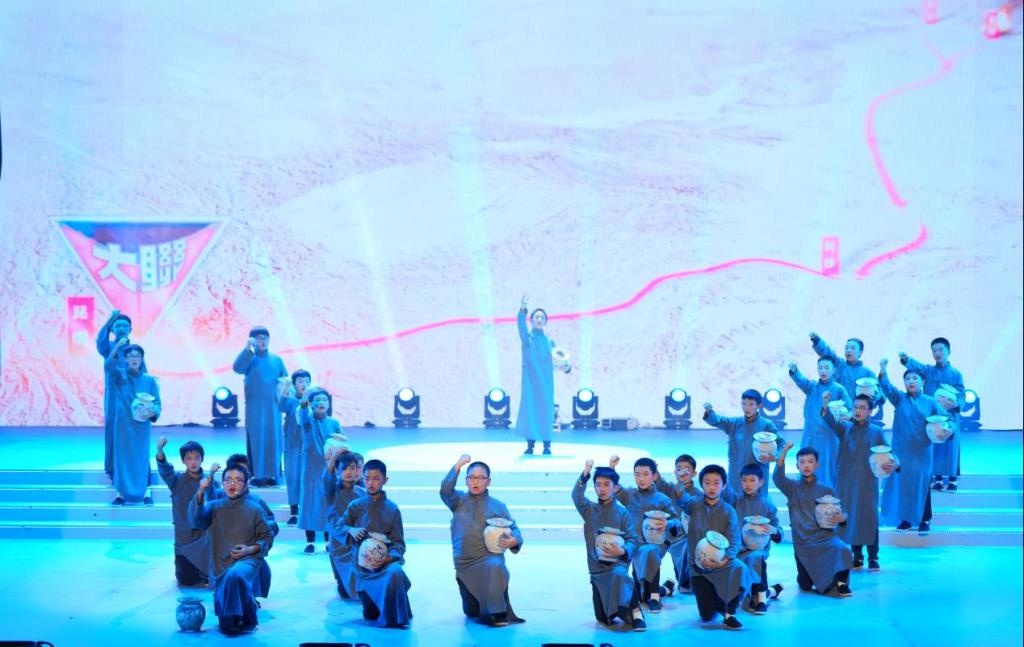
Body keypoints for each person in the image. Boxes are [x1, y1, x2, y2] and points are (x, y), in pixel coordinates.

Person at [440, 454, 525, 626]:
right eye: (471, 477)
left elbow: (514, 529)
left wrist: (514, 541)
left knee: (495, 565)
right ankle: (485, 607)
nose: (475, 482)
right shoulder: (458, 501)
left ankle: (496, 613)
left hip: (489, 558)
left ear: (489, 481)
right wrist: (458, 465)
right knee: (472, 611)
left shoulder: (498, 506)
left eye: (480, 478)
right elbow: (445, 490)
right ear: (466, 480)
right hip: (465, 564)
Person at [190, 463, 274, 635]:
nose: (232, 484)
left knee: (235, 574)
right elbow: (197, 521)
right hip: (221, 563)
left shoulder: (255, 507)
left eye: (237, 480)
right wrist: (200, 491)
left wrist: (249, 549)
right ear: (222, 484)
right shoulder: (214, 506)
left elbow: (267, 537)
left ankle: (249, 615)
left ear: (246, 484)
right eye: (228, 480)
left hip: (249, 560)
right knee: (228, 626)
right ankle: (243, 607)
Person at [336, 459, 413, 628]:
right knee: (371, 615)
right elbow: (338, 527)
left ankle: (396, 618)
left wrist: (388, 558)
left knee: (396, 571)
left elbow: (399, 544)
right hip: (364, 566)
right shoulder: (356, 506)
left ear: (385, 480)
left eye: (376, 478)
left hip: (384, 564)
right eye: (367, 478)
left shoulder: (392, 509)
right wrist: (351, 530)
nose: (370, 483)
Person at [572, 460, 645, 631]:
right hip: (597, 571)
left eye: (607, 484)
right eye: (598, 485)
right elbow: (577, 496)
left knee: (621, 576)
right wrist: (585, 474)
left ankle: (637, 613)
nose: (602, 489)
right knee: (603, 618)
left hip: (616, 567)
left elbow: (633, 540)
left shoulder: (623, 513)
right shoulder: (589, 510)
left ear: (615, 487)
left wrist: (622, 550)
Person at [773, 443, 853, 597]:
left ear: (817, 465)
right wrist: (784, 452)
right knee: (805, 585)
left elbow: (842, 511)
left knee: (842, 548)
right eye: (802, 462)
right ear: (797, 466)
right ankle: (812, 575)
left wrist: (842, 517)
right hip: (803, 543)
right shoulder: (791, 487)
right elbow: (778, 477)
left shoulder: (826, 489)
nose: (806, 465)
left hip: (825, 539)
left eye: (810, 461)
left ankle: (842, 582)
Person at [822, 392, 891, 570]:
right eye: (855, 407)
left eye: (862, 408)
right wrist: (825, 404)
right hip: (846, 481)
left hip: (868, 482)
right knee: (851, 517)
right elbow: (830, 421)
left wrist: (891, 464)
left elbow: (887, 453)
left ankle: (873, 557)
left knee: (869, 518)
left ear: (870, 411)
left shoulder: (876, 431)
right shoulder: (845, 428)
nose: (858, 411)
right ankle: (857, 555)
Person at [678, 464, 751, 630]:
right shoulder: (694, 504)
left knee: (741, 568)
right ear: (701, 485)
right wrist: (680, 483)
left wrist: (723, 561)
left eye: (716, 483)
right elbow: (681, 500)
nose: (711, 487)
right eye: (707, 483)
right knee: (706, 615)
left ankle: (730, 613)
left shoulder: (728, 510)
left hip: (721, 564)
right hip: (699, 568)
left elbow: (734, 540)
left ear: (723, 485)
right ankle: (718, 599)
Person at [878, 359, 943, 533]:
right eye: (907, 379)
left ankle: (925, 519)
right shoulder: (899, 399)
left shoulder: (930, 402)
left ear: (923, 381)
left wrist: (945, 428)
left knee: (922, 484)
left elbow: (945, 419)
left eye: (915, 378)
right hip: (902, 452)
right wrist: (883, 370)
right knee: (904, 484)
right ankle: (905, 519)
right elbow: (887, 387)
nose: (911, 381)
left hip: (922, 452)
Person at [608, 456, 680, 612]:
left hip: (656, 545)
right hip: (635, 546)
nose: (641, 478)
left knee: (650, 551)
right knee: (641, 596)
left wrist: (669, 523)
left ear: (654, 476)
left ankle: (655, 597)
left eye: (646, 474)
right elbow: (614, 487)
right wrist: (612, 468)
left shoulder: (662, 499)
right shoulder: (630, 495)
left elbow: (677, 521)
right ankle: (665, 588)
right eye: (637, 474)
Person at [900, 338, 966, 491]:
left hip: (949, 417)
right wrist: (906, 359)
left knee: (950, 449)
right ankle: (935, 480)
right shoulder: (928, 371)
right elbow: (915, 366)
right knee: (933, 448)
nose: (937, 353)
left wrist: (955, 404)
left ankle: (951, 480)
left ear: (949, 352)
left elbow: (961, 395)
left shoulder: (956, 374)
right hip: (932, 417)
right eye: (934, 350)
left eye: (940, 350)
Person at [723, 463, 782, 614]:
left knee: (756, 558)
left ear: (761, 482)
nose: (747, 484)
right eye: (744, 480)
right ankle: (771, 592)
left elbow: (777, 528)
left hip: (758, 549)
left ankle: (762, 600)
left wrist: (773, 530)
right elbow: (726, 492)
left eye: (752, 480)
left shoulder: (768, 505)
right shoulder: (736, 501)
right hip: (737, 549)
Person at [106, 339, 159, 505]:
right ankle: (121, 494)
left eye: (137, 356)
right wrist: (117, 347)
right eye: (130, 356)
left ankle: (145, 492)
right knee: (122, 458)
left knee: (141, 458)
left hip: (141, 426)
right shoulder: (120, 375)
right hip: (122, 425)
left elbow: (157, 404)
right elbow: (108, 365)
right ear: (126, 359)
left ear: (142, 359)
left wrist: (153, 411)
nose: (134, 359)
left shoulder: (150, 380)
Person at [232, 326, 287, 486]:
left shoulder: (277, 360)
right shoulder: (249, 358)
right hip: (255, 409)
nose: (262, 341)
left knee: (274, 440)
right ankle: (257, 475)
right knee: (256, 440)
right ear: (252, 341)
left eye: (264, 338)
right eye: (258, 338)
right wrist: (247, 349)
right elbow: (237, 368)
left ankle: (274, 474)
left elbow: (285, 380)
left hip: (273, 409)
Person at [514, 296, 569, 455]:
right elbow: (521, 326)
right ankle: (530, 445)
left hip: (546, 383)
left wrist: (566, 367)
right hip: (530, 382)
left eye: (542, 317)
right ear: (531, 320)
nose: (539, 319)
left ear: (545, 321)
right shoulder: (527, 339)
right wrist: (522, 309)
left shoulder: (550, 342)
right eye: (536, 317)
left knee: (545, 413)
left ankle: (547, 446)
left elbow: (559, 361)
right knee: (530, 412)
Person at [702, 390, 784, 497]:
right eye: (744, 404)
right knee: (735, 501)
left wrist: (774, 456)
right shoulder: (734, 423)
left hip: (757, 473)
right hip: (737, 473)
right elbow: (718, 420)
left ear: (759, 405)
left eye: (751, 404)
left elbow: (781, 443)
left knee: (757, 503)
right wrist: (710, 412)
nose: (747, 408)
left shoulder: (766, 425)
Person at [156, 438, 213, 586]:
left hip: (204, 538)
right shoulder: (176, 481)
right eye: (189, 458)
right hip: (184, 537)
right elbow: (164, 468)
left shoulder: (209, 482)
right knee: (186, 579)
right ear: (183, 461)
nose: (193, 462)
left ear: (202, 459)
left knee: (210, 574)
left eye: (196, 458)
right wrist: (160, 450)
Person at [788, 357, 852, 488]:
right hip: (810, 436)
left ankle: (828, 497)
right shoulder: (811, 387)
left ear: (834, 370)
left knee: (828, 469)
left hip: (829, 438)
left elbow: (851, 409)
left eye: (827, 368)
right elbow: (801, 380)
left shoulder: (839, 389)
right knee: (807, 467)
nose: (823, 371)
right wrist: (794, 370)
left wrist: (846, 415)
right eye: (820, 368)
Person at [96, 310, 146, 479]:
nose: (121, 328)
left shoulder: (135, 351)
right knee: (112, 429)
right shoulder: (108, 348)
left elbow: (144, 374)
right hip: (114, 396)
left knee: (132, 431)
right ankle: (112, 467)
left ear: (130, 329)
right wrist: (110, 319)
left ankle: (132, 466)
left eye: (125, 326)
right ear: (112, 329)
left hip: (131, 397)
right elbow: (100, 341)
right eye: (118, 326)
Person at [297, 387, 341, 553]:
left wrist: (340, 439)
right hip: (310, 469)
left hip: (329, 468)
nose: (321, 403)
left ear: (328, 404)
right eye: (317, 400)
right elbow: (302, 411)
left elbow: (343, 442)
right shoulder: (307, 420)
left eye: (324, 400)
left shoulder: (334, 423)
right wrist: (304, 399)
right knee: (309, 503)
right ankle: (310, 542)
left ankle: (328, 541)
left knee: (327, 502)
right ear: (311, 404)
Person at [325, 450, 366, 599]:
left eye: (353, 468)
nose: (349, 472)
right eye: (345, 468)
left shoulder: (362, 492)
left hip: (358, 542)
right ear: (337, 470)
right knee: (345, 592)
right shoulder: (331, 491)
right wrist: (334, 457)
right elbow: (327, 478)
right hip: (339, 542)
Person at [278, 369, 312, 525]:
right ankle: (294, 511)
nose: (304, 384)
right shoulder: (291, 401)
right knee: (292, 477)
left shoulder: (315, 400)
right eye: (300, 381)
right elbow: (281, 406)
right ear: (294, 384)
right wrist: (286, 387)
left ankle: (307, 509)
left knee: (308, 478)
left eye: (307, 381)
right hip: (292, 445)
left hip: (309, 446)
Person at [809, 332, 878, 402]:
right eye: (846, 348)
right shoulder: (839, 364)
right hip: (836, 406)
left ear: (860, 352)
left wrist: (877, 396)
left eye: (852, 348)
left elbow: (878, 391)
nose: (848, 350)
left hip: (858, 407)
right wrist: (816, 339)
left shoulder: (867, 372)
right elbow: (827, 352)